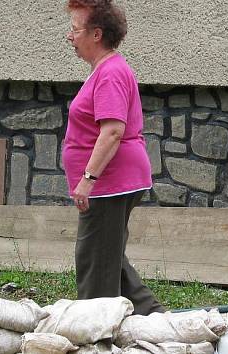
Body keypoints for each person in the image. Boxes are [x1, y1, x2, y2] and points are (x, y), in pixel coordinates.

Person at [63, 0, 165, 315]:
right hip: (114, 181)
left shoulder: (110, 73)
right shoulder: (107, 69)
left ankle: (95, 334)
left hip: (110, 183)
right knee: (109, 260)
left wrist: (87, 180)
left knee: (95, 266)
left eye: (75, 29)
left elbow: (112, 131)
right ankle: (157, 321)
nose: (70, 36)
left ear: (96, 34)